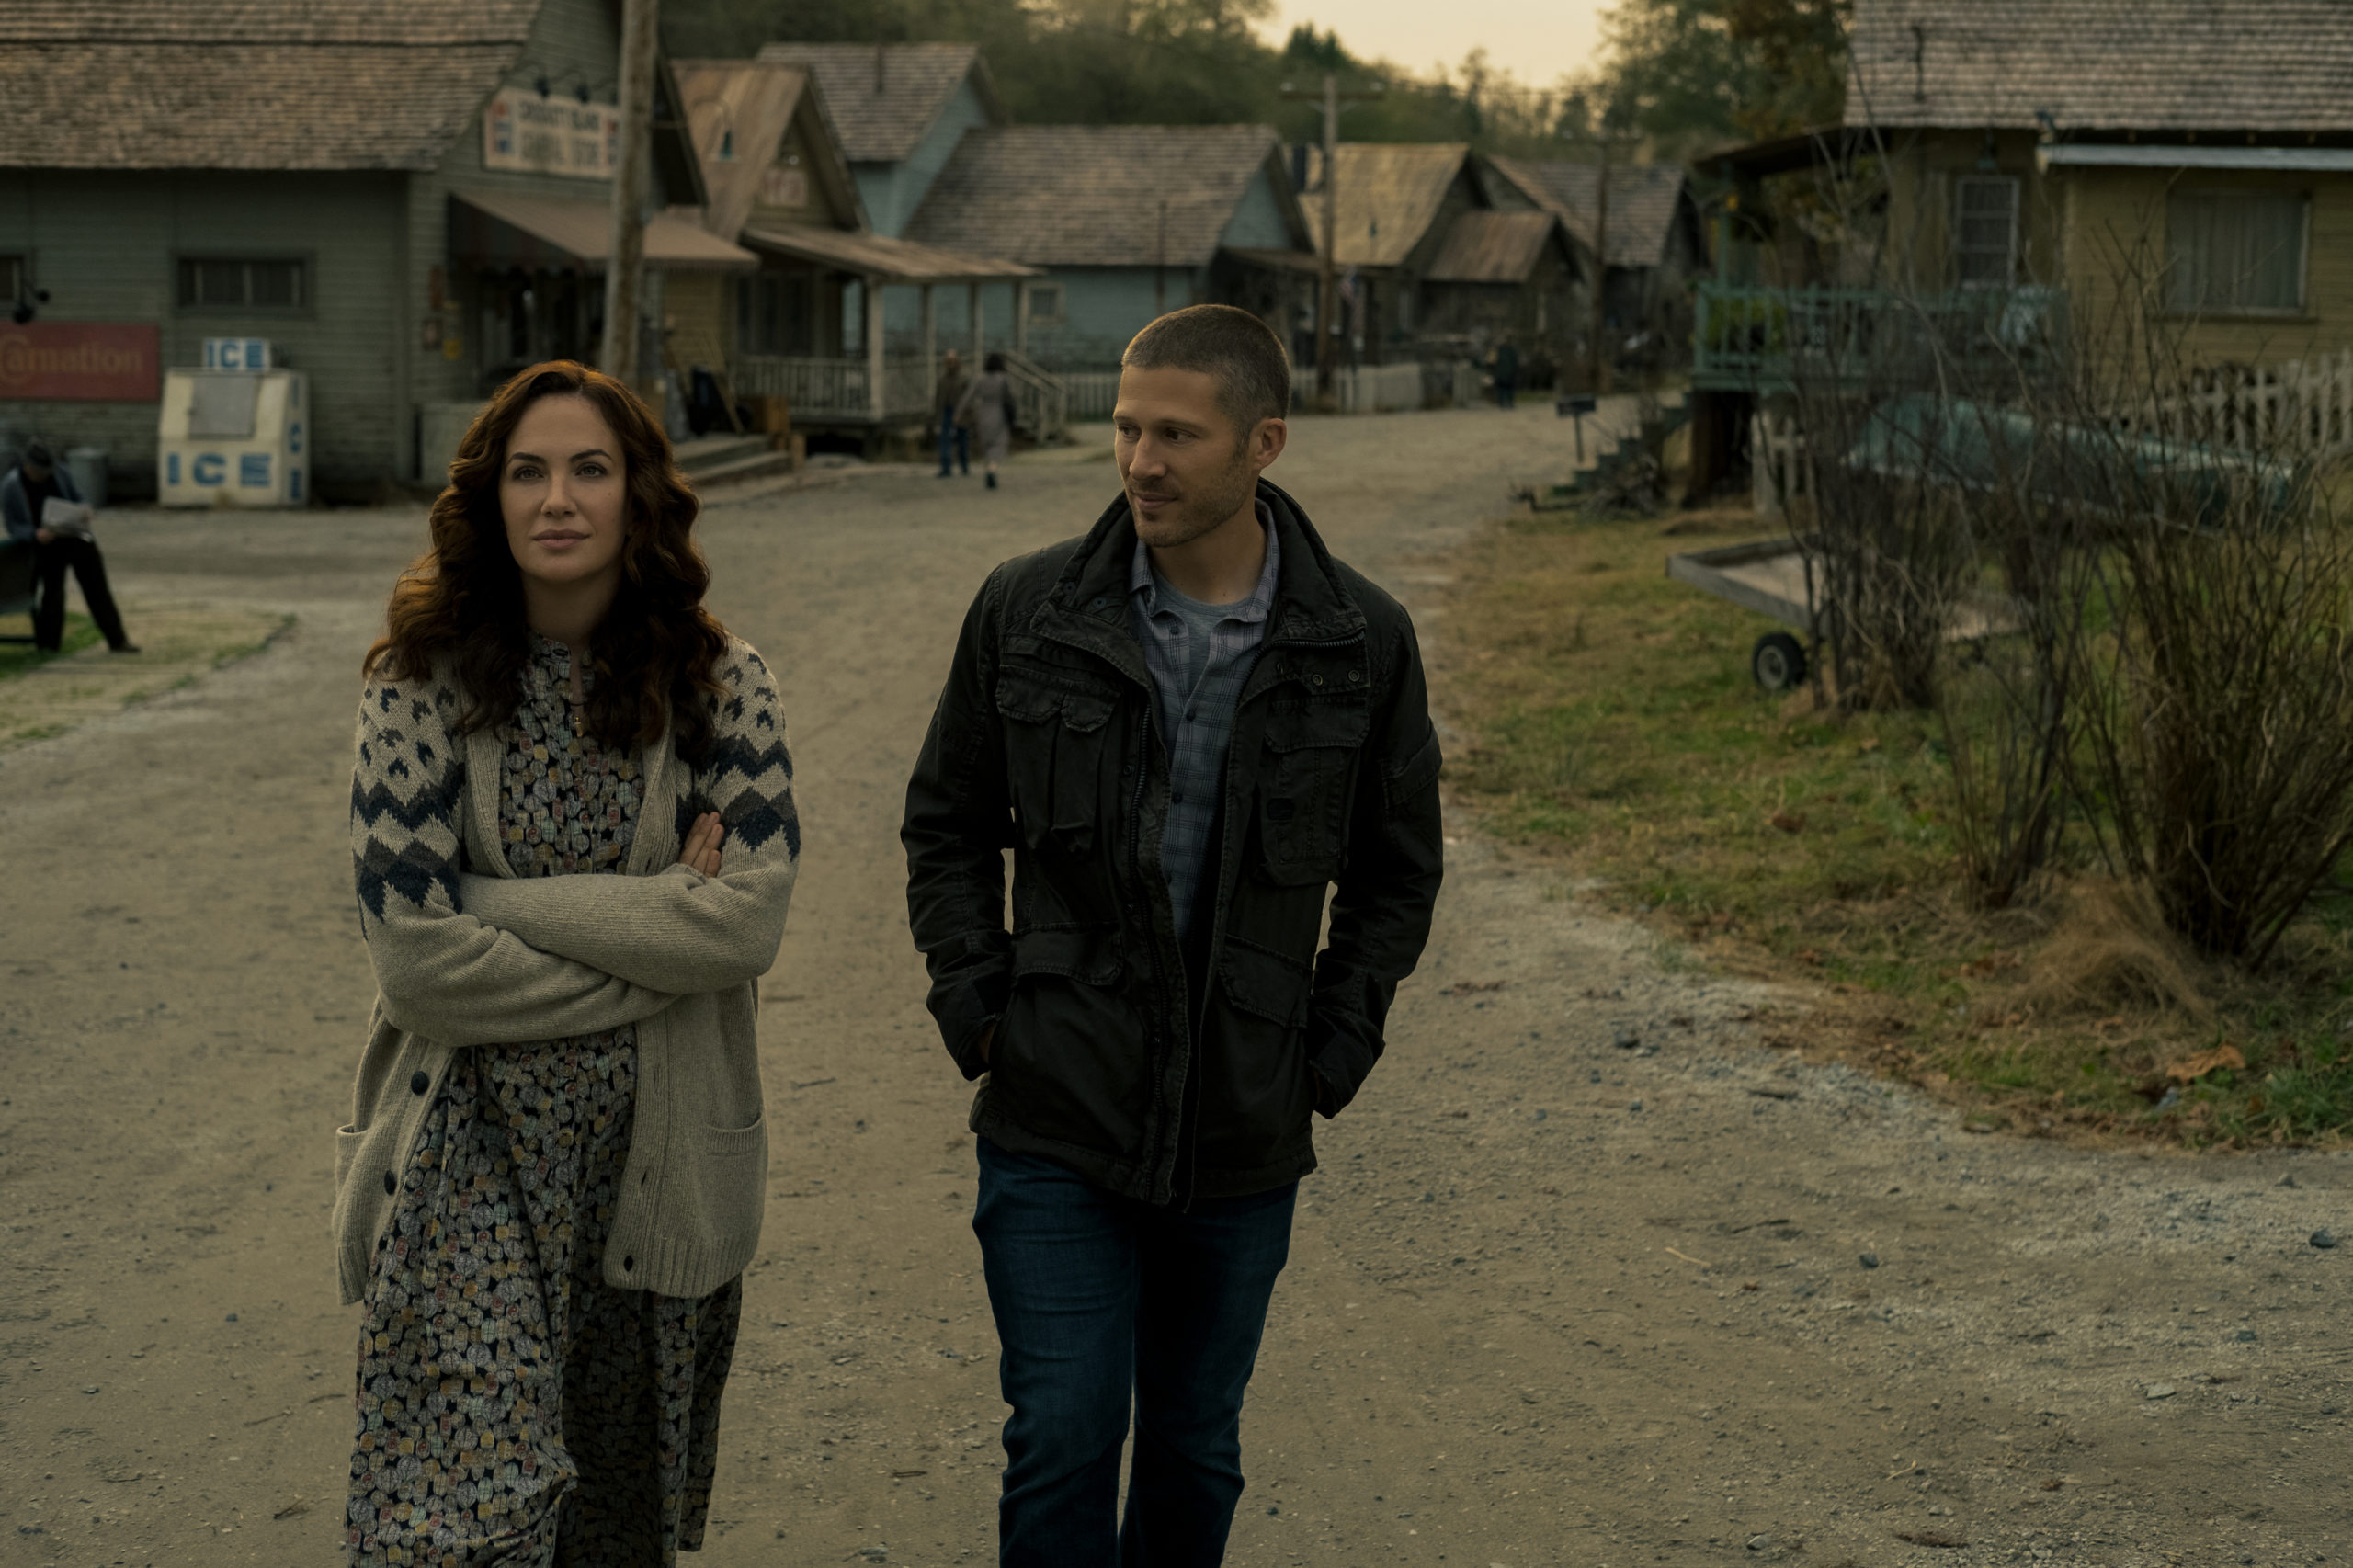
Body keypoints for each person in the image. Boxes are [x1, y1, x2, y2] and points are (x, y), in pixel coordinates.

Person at [902, 304, 1444, 1565]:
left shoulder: (1358, 642)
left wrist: (1330, 1046)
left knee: (1198, 1444)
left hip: (1245, 1123)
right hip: (1054, 1111)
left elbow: (1396, 872)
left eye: (1178, 434)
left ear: (1264, 442)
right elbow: (947, 823)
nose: (1141, 460)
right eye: (1127, 428)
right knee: (1064, 1435)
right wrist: (980, 1005)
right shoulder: (1028, 609)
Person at [334, 360, 801, 1566]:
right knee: (464, 1525)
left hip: (649, 1164)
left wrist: (487, 899)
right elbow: (420, 967)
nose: (557, 497)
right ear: (488, 499)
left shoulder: (722, 687)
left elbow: (744, 928)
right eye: (527, 471)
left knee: (611, 1527)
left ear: (638, 493)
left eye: (589, 468)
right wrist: (657, 927)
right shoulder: (415, 689)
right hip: (463, 1156)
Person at [0, 440, 136, 653]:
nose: (44, 475)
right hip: (47, 544)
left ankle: (117, 640)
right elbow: (12, 524)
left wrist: (84, 509)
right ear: (28, 467)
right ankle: (49, 645)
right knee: (53, 594)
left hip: (74, 536)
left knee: (97, 589)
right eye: (39, 472)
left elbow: (76, 496)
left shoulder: (60, 472)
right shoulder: (12, 485)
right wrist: (34, 534)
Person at [956, 351, 1016, 490]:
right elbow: (1011, 396)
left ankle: (988, 468)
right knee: (998, 444)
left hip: (983, 413)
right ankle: (991, 469)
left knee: (986, 444)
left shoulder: (980, 379)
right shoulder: (1003, 379)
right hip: (999, 413)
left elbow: (967, 396)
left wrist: (958, 412)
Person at [936, 348, 972, 478]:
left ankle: (964, 466)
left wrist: (966, 415)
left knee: (962, 441)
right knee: (945, 440)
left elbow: (968, 399)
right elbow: (938, 399)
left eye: (952, 361)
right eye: (948, 361)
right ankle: (946, 467)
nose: (950, 364)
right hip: (946, 412)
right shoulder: (943, 380)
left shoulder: (962, 379)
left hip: (960, 413)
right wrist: (937, 416)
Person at [1492, 337, 1520, 411]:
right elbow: (1515, 362)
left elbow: (1493, 361)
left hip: (1501, 373)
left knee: (1503, 388)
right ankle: (1508, 402)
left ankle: (1502, 403)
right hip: (1508, 372)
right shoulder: (1511, 350)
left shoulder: (1499, 350)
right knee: (1508, 388)